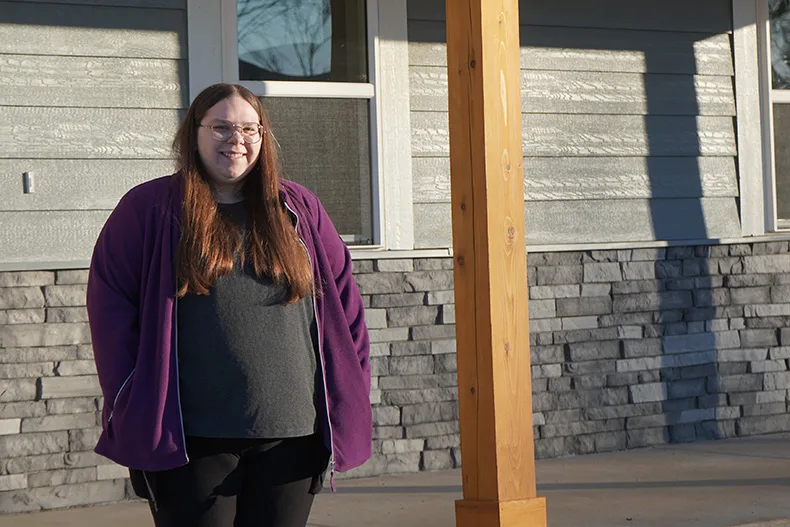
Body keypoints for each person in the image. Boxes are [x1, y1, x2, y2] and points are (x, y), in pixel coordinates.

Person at [86, 83, 372, 527]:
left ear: (263, 136)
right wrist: (131, 398)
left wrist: (352, 386)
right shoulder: (150, 209)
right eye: (220, 127)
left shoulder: (299, 208)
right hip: (190, 439)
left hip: (292, 433)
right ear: (194, 133)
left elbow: (345, 306)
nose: (236, 139)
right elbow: (111, 310)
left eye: (248, 128)